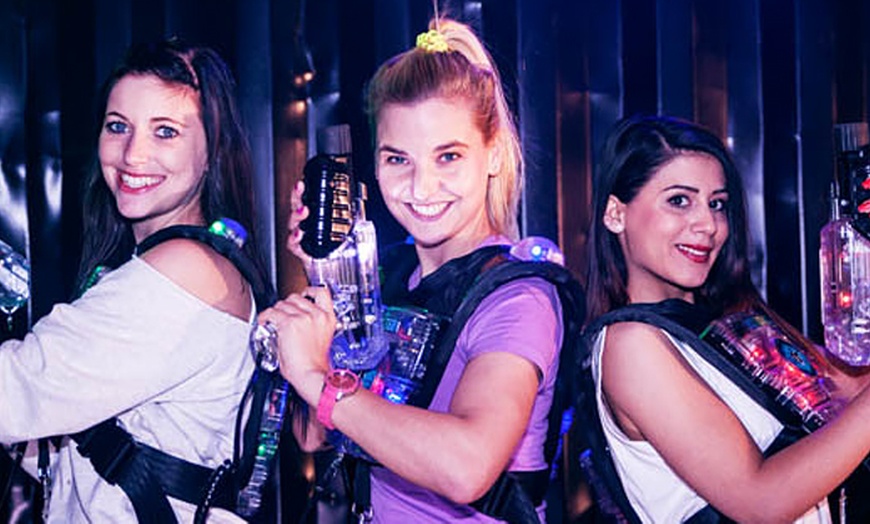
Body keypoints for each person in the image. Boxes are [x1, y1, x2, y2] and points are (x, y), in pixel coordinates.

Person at [259, 17, 567, 523]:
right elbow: (312, 434)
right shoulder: (392, 277)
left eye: (448, 157)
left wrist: (317, 377)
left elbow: (467, 468)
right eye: (398, 160)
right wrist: (329, 281)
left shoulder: (516, 299)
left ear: (492, 155)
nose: (421, 188)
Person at [0, 39, 266, 523]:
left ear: (212, 151)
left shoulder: (187, 269)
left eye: (165, 132)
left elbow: (15, 393)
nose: (133, 153)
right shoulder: (177, 261)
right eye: (118, 126)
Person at [583, 113, 870, 523]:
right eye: (679, 200)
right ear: (616, 214)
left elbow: (849, 390)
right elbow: (760, 501)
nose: (708, 224)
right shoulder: (630, 343)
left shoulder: (728, 323)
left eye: (717, 204)